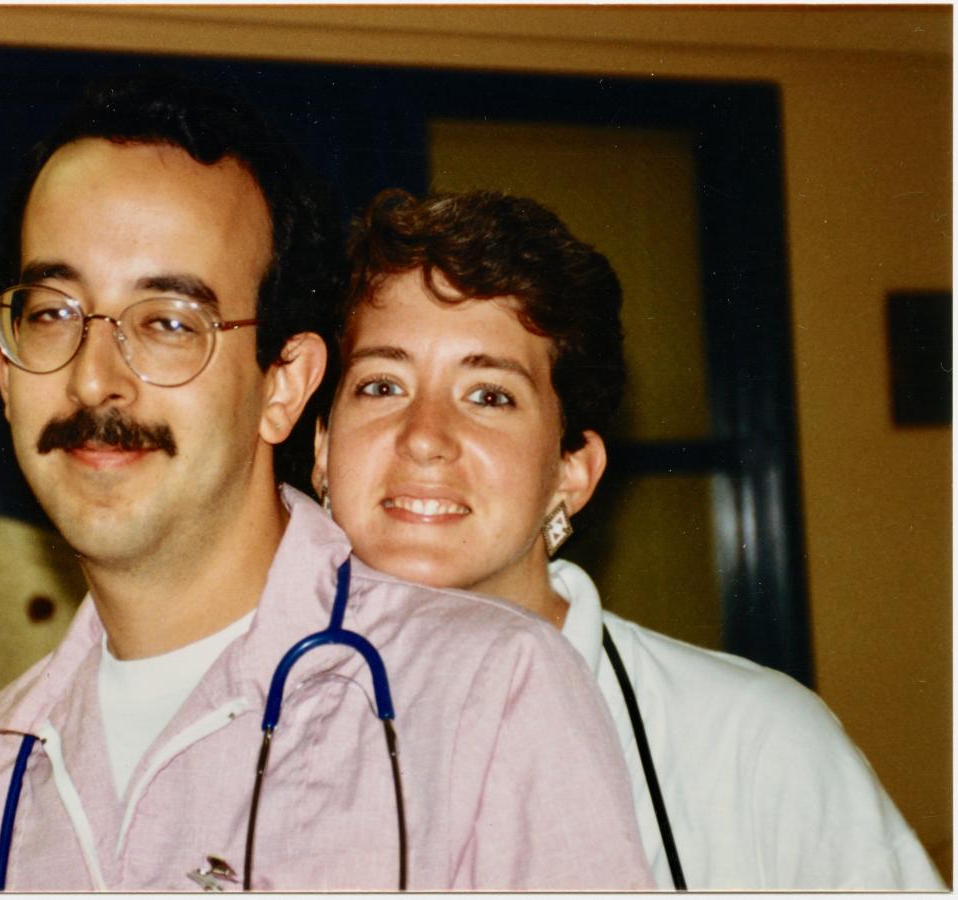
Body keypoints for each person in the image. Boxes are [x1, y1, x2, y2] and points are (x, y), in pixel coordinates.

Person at [0, 75, 654, 890]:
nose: (95, 383)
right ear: (2, 364)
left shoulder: (487, 696)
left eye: (168, 323)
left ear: (283, 386)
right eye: (52, 313)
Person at [310, 187, 945, 890]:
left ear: (572, 472)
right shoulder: (229, 717)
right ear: (321, 449)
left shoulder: (754, 744)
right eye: (381, 386)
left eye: (490, 395)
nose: (424, 437)